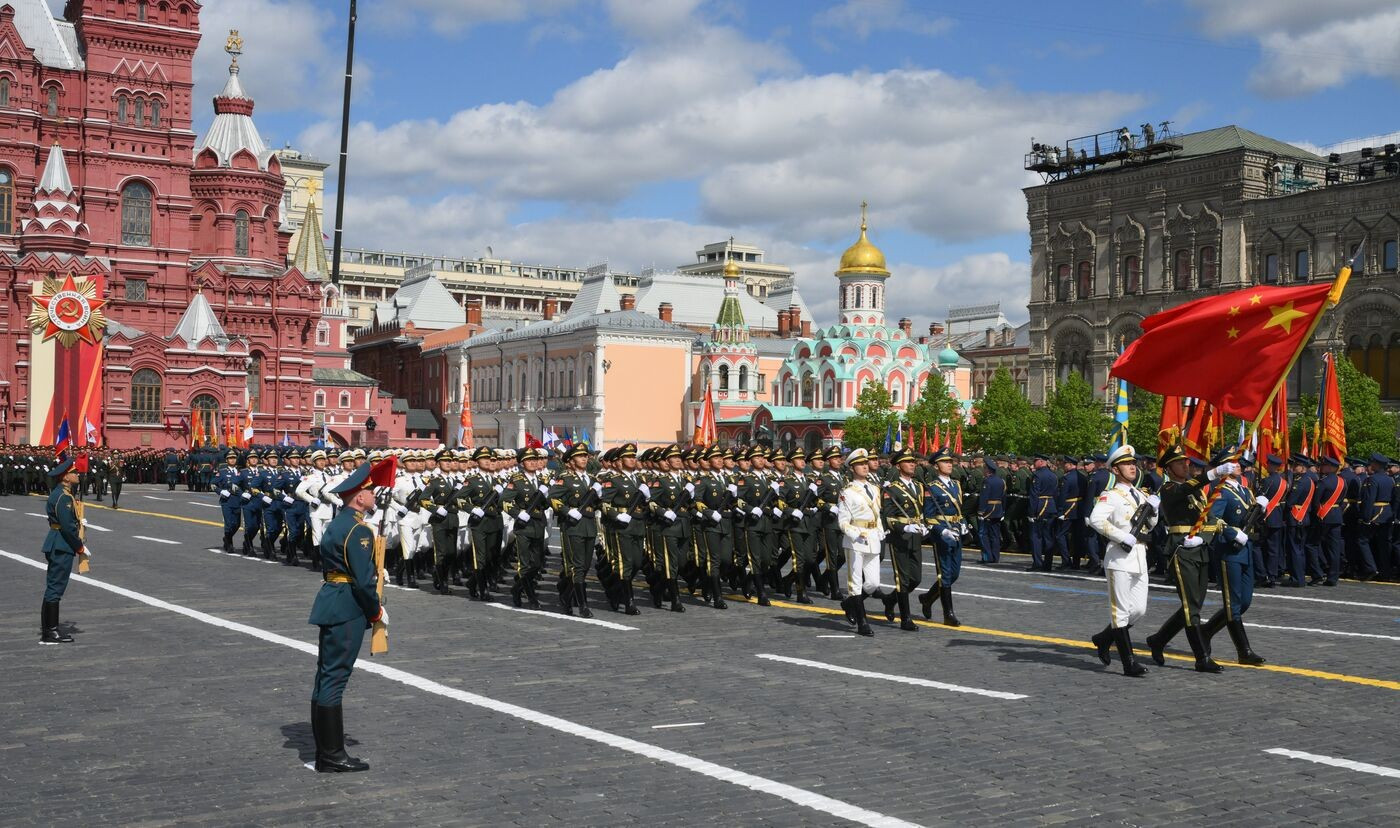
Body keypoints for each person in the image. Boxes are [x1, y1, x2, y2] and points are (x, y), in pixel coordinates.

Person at [308, 460, 387, 773]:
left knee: (325, 676)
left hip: (332, 602)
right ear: (359, 497)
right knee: (334, 679)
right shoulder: (359, 530)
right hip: (347, 608)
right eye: (370, 491)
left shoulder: (340, 523)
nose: (374, 496)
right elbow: (363, 580)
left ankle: (325, 752)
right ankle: (331, 754)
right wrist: (376, 609)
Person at [1145, 445, 1237, 673]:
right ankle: (1202, 657)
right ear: (1168, 468)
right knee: (1190, 606)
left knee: (1193, 604)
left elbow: (1210, 517)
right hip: (1181, 548)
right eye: (1179, 463)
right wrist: (1213, 474)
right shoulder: (1168, 488)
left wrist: (1204, 539)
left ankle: (1158, 640)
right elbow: (1184, 489)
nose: (1185, 465)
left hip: (1199, 548)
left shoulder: (1198, 491)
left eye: (1186, 462)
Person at [1086, 444, 1154, 676]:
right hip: (1119, 558)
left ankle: (1104, 638)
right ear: (1115, 470)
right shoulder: (1112, 495)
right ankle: (1129, 663)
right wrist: (1121, 535)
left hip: (1139, 556)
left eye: (1133, 463)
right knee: (1121, 611)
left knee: (1139, 610)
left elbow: (1150, 525)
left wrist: (1153, 511)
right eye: (1126, 464)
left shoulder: (1141, 494)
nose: (1132, 467)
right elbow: (1096, 519)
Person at [1198, 452, 1266, 665]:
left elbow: (1253, 519)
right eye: (1232, 463)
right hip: (1229, 550)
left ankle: (1206, 631)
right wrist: (1231, 532)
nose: (1238, 466)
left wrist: (1261, 510)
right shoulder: (1220, 491)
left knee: (1244, 601)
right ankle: (1244, 651)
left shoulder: (1246, 490)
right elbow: (1211, 518)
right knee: (1233, 604)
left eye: (1237, 463)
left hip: (1246, 550)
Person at [40, 456, 91, 645]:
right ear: (65, 477)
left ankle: (49, 629)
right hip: (61, 545)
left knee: (53, 588)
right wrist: (79, 546)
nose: (77, 474)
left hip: (57, 542)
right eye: (74, 472)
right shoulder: (63, 496)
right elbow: (66, 527)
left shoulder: (62, 493)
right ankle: (50, 632)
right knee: (55, 589)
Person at [836, 449, 882, 637]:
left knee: (872, 583)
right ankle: (863, 622)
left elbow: (877, 513)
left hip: (873, 537)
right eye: (861, 464)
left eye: (866, 463)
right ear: (853, 468)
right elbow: (842, 521)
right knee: (855, 582)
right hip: (856, 540)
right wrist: (855, 533)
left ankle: (849, 603)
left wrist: (879, 529)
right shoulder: (847, 492)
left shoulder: (874, 488)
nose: (865, 466)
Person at [880, 447, 926, 631]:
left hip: (915, 536)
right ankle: (905, 618)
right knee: (903, 579)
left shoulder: (919, 486)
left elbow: (920, 511)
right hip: (900, 536)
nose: (912, 465)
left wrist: (923, 525)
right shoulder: (892, 489)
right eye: (908, 462)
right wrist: (904, 526)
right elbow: (889, 517)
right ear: (899, 466)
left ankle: (890, 600)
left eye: (913, 462)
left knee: (916, 579)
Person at [920, 449, 965, 627]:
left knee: (954, 574)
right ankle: (949, 614)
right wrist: (941, 531)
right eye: (945, 462)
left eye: (950, 462)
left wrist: (963, 523)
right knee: (945, 574)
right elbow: (929, 516)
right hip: (943, 534)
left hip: (956, 531)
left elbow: (959, 510)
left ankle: (928, 598)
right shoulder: (932, 487)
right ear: (936, 465)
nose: (949, 464)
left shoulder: (956, 485)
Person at [977, 457, 1005, 563]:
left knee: (983, 534)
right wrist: (1003, 510)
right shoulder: (1001, 481)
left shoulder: (987, 481)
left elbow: (984, 497)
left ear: (987, 470)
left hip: (988, 510)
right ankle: (995, 557)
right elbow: (1004, 497)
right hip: (998, 509)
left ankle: (987, 557)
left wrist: (981, 511)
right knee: (995, 535)